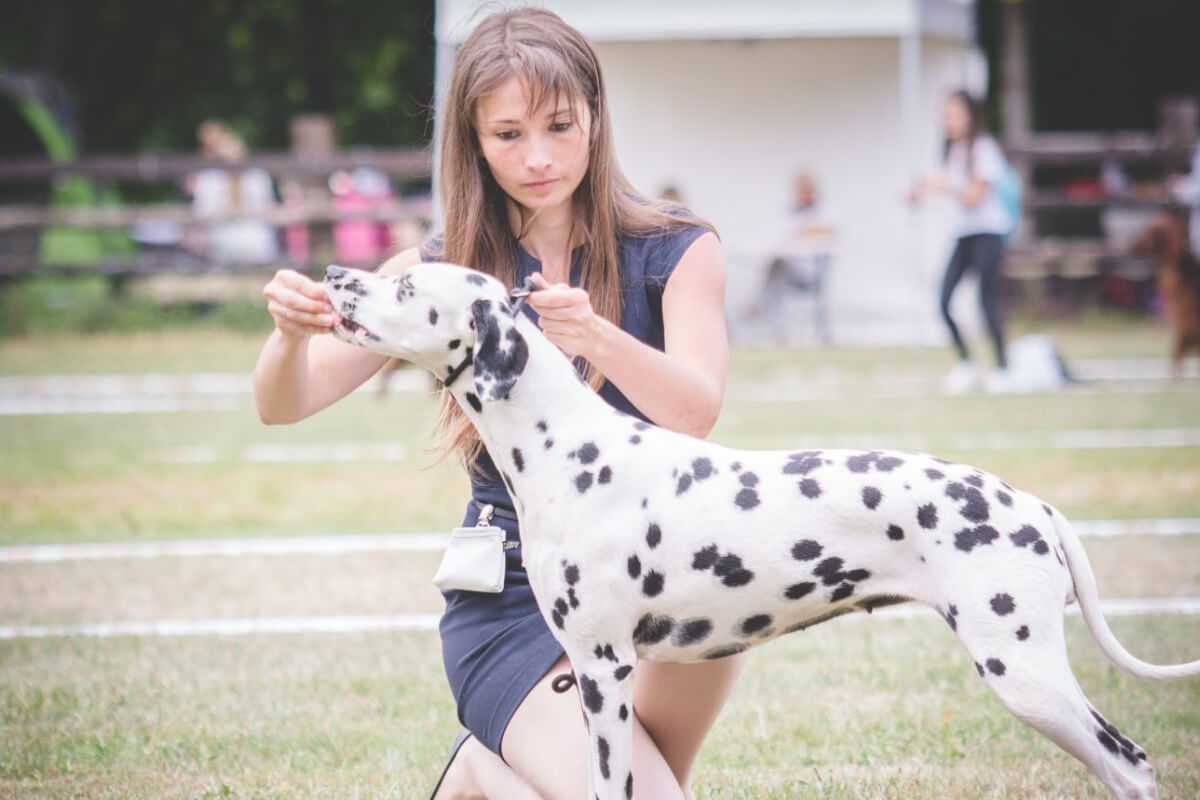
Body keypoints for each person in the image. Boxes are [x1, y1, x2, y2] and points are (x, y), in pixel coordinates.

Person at [253, 8, 738, 799]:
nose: (538, 158)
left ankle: (487, 778)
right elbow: (286, 403)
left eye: (558, 125)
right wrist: (289, 337)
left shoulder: (678, 248)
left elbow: (696, 411)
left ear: (596, 117)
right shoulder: (441, 270)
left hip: (667, 580)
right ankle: (487, 761)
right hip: (515, 596)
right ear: (473, 142)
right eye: (508, 135)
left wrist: (596, 338)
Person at [909, 90, 1015, 394]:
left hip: (988, 233)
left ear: (970, 115)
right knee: (943, 300)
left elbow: (973, 197)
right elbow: (945, 188)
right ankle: (966, 362)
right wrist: (920, 192)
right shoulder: (951, 152)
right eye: (946, 116)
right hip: (964, 235)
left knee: (987, 301)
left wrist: (945, 185)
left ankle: (1002, 367)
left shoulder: (984, 149)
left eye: (955, 114)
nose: (949, 122)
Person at [187, 120, 279, 265]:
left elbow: (268, 208)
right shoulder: (209, 179)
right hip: (221, 237)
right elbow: (201, 212)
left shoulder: (258, 177)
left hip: (256, 237)